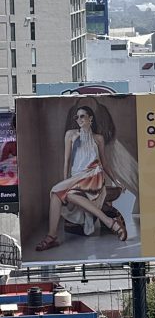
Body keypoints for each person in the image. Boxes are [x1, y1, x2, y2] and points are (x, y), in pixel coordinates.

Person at [36, 104, 127, 251]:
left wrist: (116, 181)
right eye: (77, 117)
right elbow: (66, 161)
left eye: (82, 116)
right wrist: (65, 182)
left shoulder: (98, 138)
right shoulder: (71, 135)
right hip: (77, 178)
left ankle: (51, 237)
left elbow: (104, 162)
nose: (79, 119)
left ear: (90, 118)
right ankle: (111, 223)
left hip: (93, 175)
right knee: (61, 195)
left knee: (55, 191)